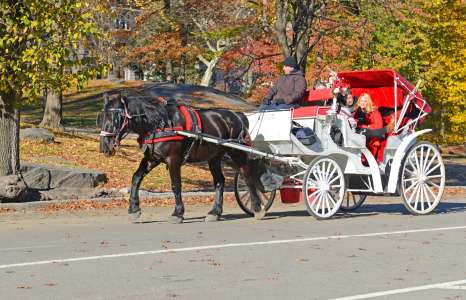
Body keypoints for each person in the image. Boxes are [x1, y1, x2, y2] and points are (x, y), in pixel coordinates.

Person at [354, 93, 385, 163]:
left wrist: (366, 126)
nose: (362, 103)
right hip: (362, 131)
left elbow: (379, 126)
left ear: (368, 102)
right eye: (361, 101)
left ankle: (366, 158)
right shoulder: (357, 111)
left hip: (375, 133)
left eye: (365, 101)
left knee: (363, 134)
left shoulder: (374, 111)